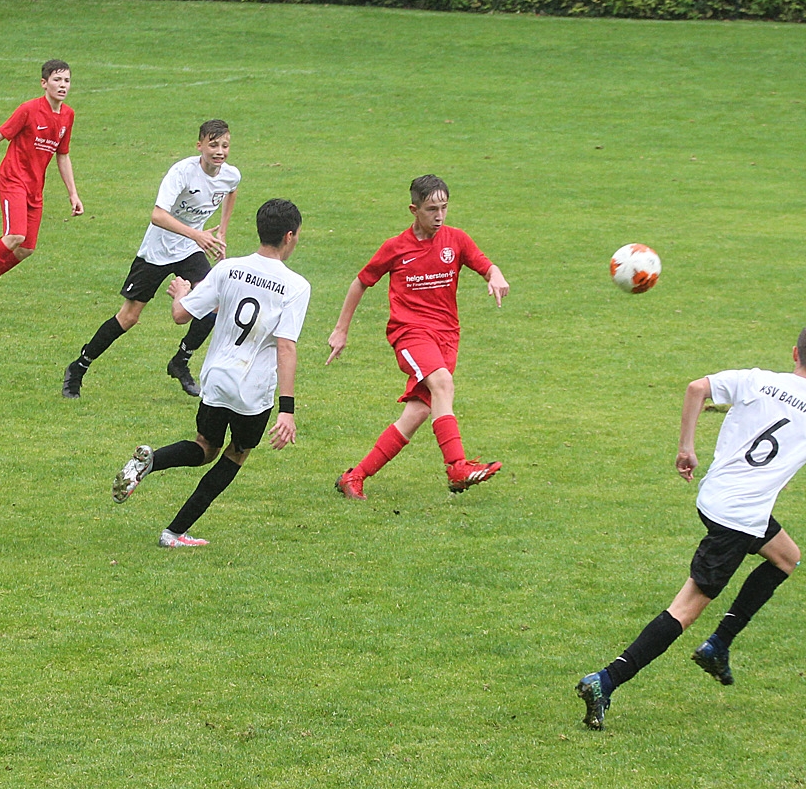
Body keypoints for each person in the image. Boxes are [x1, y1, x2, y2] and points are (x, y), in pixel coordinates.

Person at [576, 322, 806, 730]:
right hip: (738, 519)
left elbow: (696, 388)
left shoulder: (757, 380)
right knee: (685, 609)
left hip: (716, 498)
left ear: (795, 353)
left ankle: (719, 645)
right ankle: (606, 679)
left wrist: (686, 448)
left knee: (786, 557)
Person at [111, 199, 308, 548]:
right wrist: (287, 410)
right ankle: (173, 533)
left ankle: (150, 461)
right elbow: (286, 347)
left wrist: (182, 293)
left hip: (215, 379)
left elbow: (181, 315)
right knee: (235, 453)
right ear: (289, 236)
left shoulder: (228, 268)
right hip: (251, 391)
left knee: (205, 446)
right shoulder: (295, 286)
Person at [326, 175, 509, 496]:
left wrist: (496, 275)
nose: (439, 216)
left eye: (444, 208)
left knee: (418, 412)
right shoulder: (396, 247)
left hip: (446, 337)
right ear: (414, 210)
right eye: (431, 209)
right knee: (443, 384)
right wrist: (341, 330)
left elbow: (486, 266)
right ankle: (457, 466)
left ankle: (354, 477)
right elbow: (361, 282)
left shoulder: (456, 240)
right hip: (410, 333)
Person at [63, 120, 236, 398]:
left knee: (214, 302)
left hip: (189, 249)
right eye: (213, 145)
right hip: (157, 251)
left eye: (225, 146)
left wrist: (222, 231)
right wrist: (196, 234)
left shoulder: (230, 175)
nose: (219, 151)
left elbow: (231, 189)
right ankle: (78, 367)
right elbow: (157, 215)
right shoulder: (182, 173)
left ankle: (180, 361)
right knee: (129, 317)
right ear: (199, 145)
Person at [0, 59, 82, 311]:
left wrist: (73, 194)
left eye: (67, 80)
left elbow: (62, 155)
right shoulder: (28, 109)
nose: (62, 85)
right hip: (13, 180)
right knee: (15, 234)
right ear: (44, 83)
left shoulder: (68, 115)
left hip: (35, 188)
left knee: (26, 248)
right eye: (57, 80)